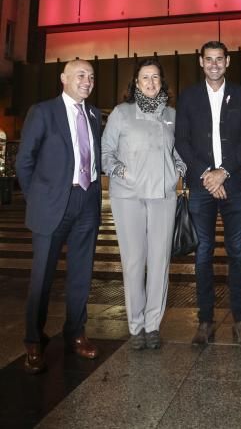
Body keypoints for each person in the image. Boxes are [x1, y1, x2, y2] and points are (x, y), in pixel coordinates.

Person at [16, 60, 101, 374]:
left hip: (86, 202)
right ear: (63, 78)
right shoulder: (43, 112)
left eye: (91, 76)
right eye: (81, 75)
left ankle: (76, 333)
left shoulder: (93, 114)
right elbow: (24, 161)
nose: (87, 81)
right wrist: (38, 198)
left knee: (81, 274)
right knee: (42, 277)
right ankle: (33, 340)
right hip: (52, 204)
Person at [175, 41, 241, 345]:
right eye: (208, 59)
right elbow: (182, 141)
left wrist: (223, 172)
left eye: (219, 59)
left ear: (228, 61)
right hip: (201, 186)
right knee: (203, 254)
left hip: (233, 184)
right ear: (200, 61)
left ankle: (240, 321)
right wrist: (207, 174)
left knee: (237, 251)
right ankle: (205, 321)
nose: (213, 64)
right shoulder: (188, 97)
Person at [101, 58, 185, 350]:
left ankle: (152, 326)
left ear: (162, 82)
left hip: (162, 195)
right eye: (145, 78)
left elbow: (181, 151)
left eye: (155, 78)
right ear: (135, 83)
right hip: (128, 196)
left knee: (160, 261)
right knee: (134, 261)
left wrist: (178, 170)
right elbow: (106, 153)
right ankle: (135, 326)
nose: (151, 83)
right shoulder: (121, 113)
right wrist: (124, 173)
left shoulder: (172, 114)